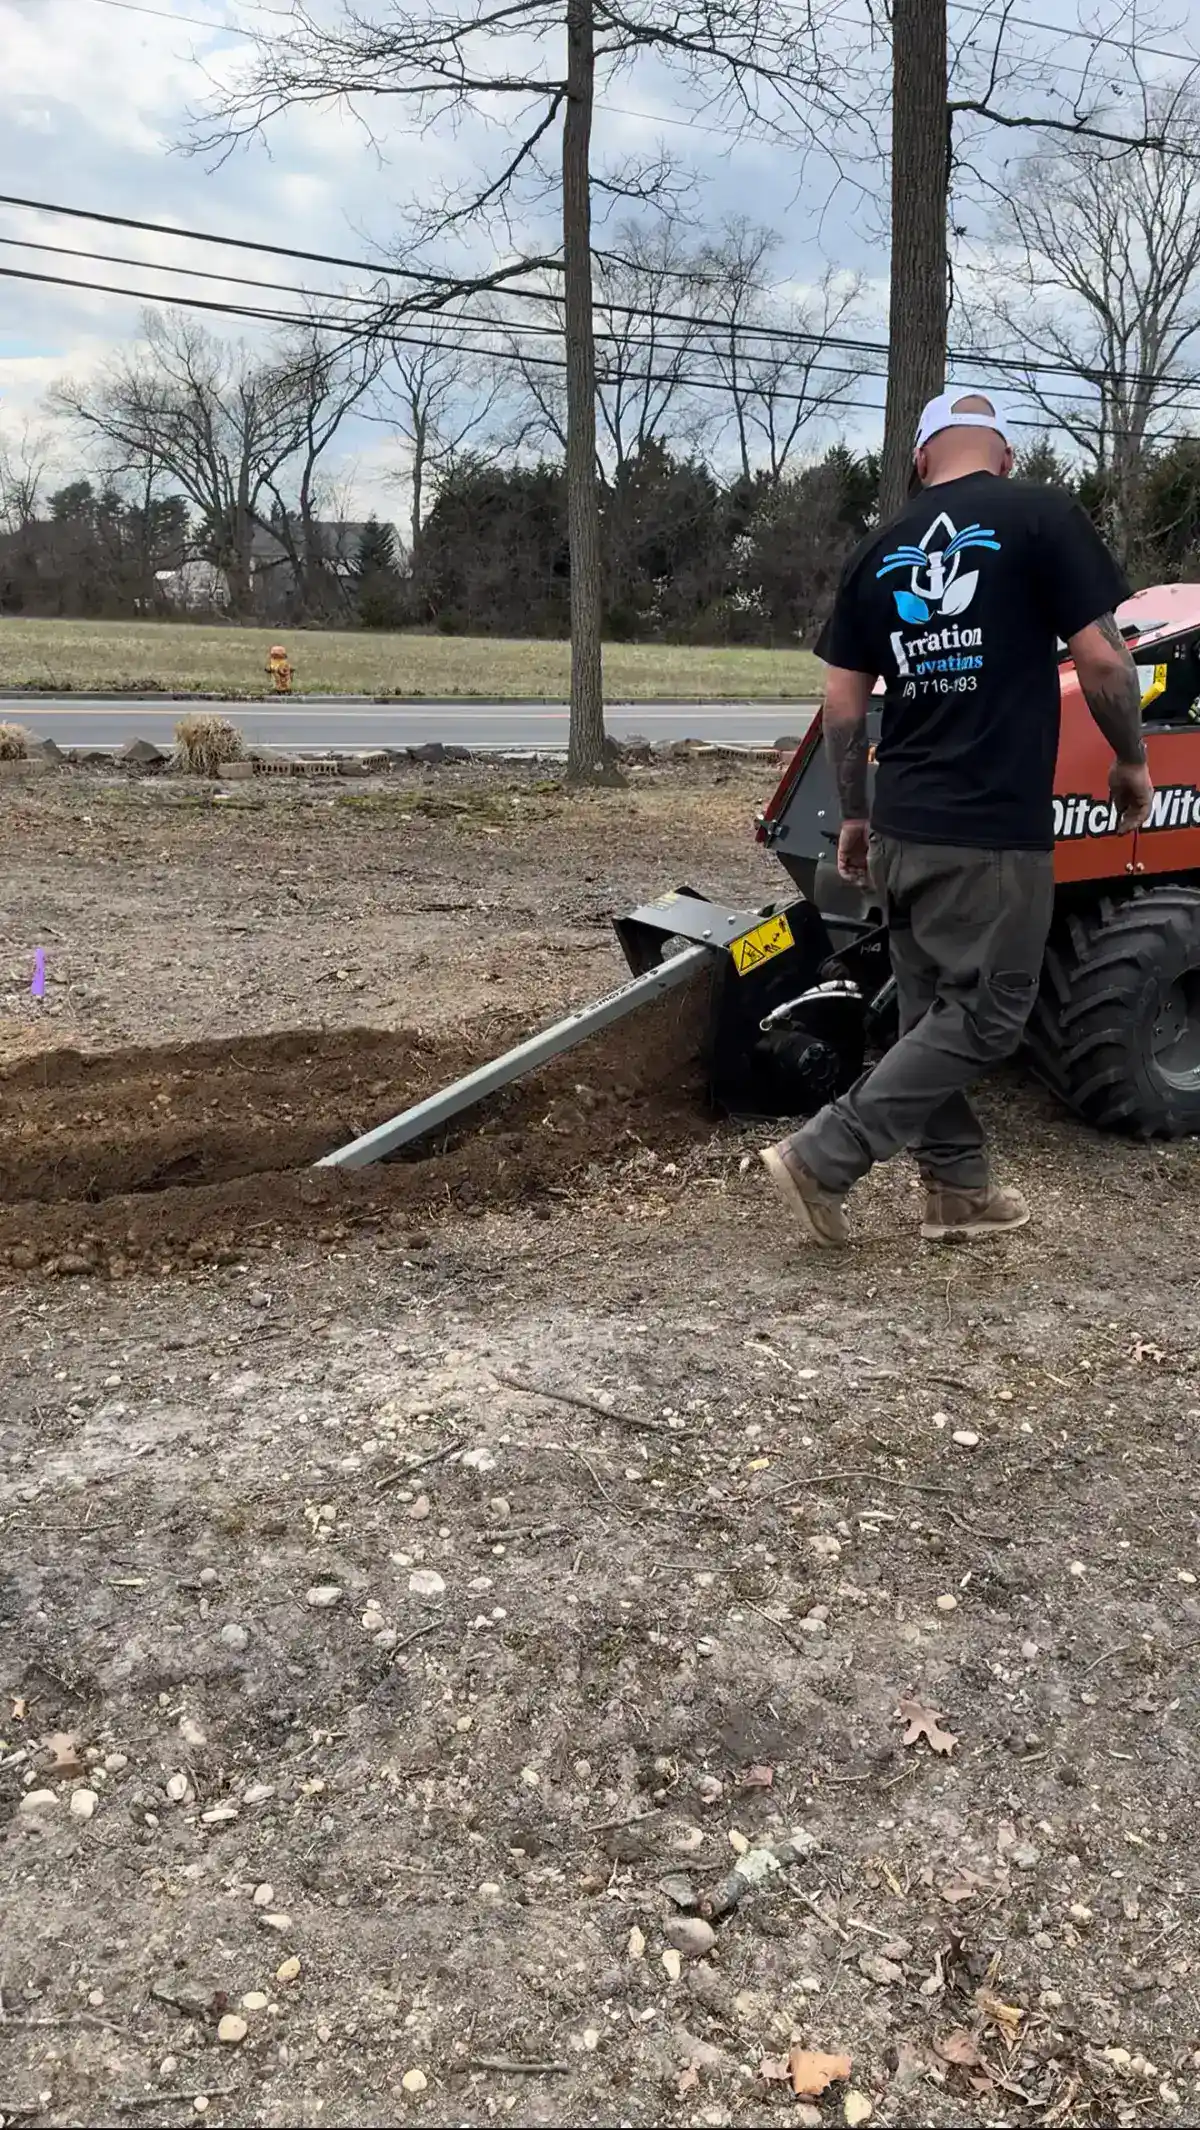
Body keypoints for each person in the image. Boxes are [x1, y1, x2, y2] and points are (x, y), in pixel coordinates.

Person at [761, 388, 1154, 1248]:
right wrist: (1130, 758)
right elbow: (1105, 663)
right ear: (1005, 455)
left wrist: (857, 821)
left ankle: (958, 1191)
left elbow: (841, 708)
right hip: (990, 831)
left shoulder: (876, 549)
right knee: (985, 1018)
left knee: (930, 1010)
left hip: (901, 822)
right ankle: (828, 1154)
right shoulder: (1042, 516)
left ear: (920, 460)